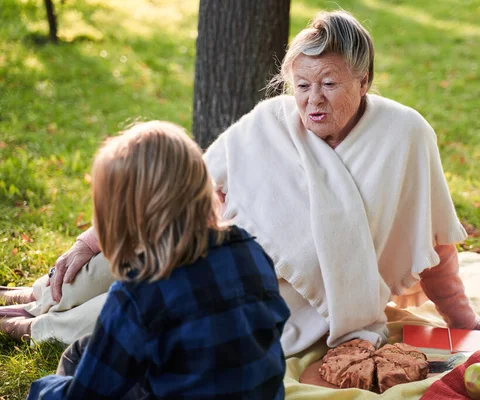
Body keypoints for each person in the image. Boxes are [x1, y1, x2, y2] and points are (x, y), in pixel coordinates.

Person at [1, 11, 480, 354]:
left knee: (147, 309)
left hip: (273, 297)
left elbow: (433, 242)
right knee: (107, 264)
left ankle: (32, 326)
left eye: (330, 84)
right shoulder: (272, 119)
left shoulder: (406, 135)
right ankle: (41, 296)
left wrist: (464, 320)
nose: (312, 100)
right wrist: (90, 240)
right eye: (302, 85)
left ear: (364, 81)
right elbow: (187, 183)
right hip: (213, 246)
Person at [25, 121, 290, 399]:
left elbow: (85, 395)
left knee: (78, 357)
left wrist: (41, 390)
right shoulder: (250, 250)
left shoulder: (139, 294)